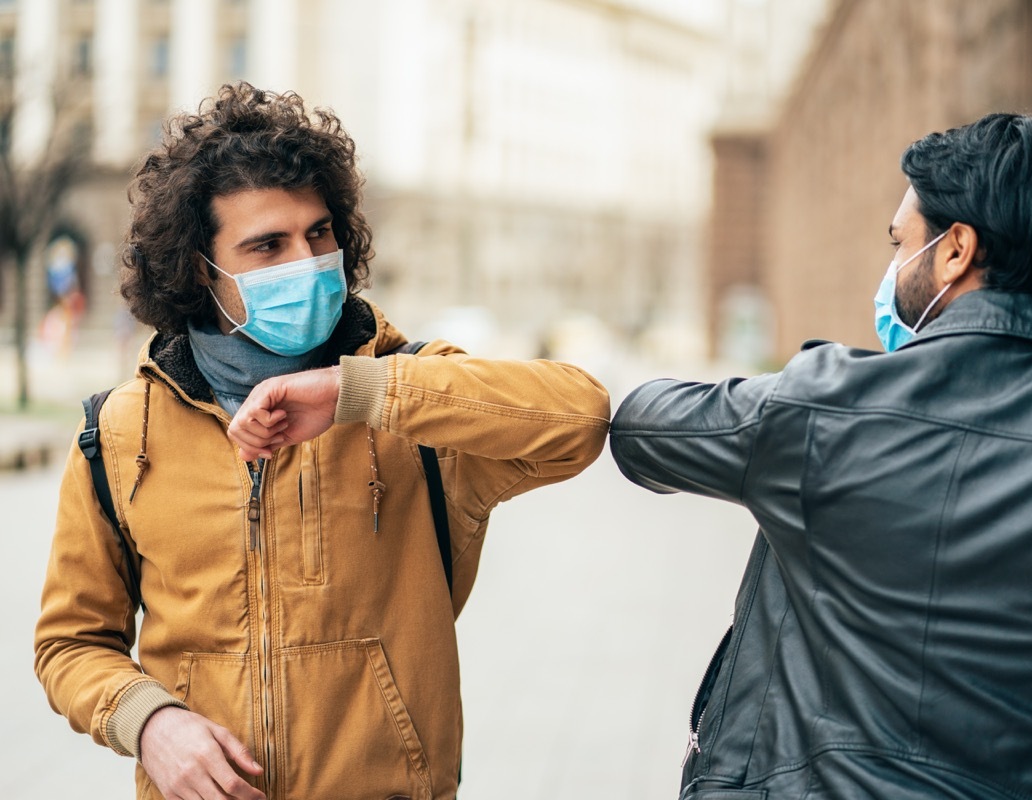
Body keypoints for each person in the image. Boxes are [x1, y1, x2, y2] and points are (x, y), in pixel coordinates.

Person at [35, 82, 610, 800]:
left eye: (319, 233)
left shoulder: (412, 398)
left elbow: (581, 418)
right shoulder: (117, 432)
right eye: (267, 245)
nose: (306, 261)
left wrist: (357, 393)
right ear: (198, 269)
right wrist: (148, 723)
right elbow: (70, 643)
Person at [609, 113, 1032, 798]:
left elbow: (641, 427)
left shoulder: (822, 410)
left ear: (955, 251)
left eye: (900, 244)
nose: (892, 270)